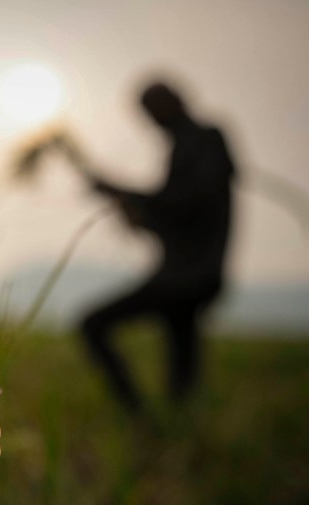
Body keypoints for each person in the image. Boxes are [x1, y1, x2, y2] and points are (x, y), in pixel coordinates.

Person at [80, 80, 237, 412]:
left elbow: (184, 205)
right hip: (187, 273)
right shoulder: (187, 146)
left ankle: (139, 416)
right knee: (181, 354)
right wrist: (133, 210)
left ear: (175, 101)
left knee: (93, 325)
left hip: (189, 275)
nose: (152, 121)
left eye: (153, 110)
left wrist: (120, 191)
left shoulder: (205, 140)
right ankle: (175, 426)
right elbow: (172, 219)